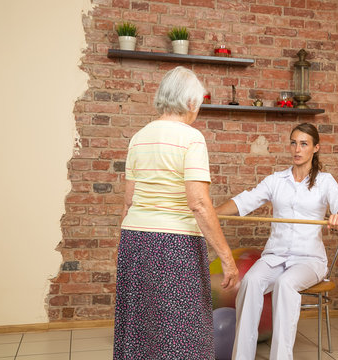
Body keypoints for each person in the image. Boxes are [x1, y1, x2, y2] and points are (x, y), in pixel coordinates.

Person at [114, 66, 239, 360]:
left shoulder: (138, 137)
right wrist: (227, 258)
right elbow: (199, 203)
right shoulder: (191, 138)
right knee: (183, 330)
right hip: (174, 245)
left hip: (135, 242)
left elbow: (128, 202)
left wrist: (125, 247)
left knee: (141, 328)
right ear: (191, 103)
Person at [215, 123, 338, 360]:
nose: (297, 149)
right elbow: (245, 200)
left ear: (316, 148)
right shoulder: (276, 180)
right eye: (293, 142)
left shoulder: (325, 181)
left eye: (304, 144)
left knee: (286, 284)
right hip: (275, 256)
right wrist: (212, 213)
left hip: (308, 260)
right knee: (251, 281)